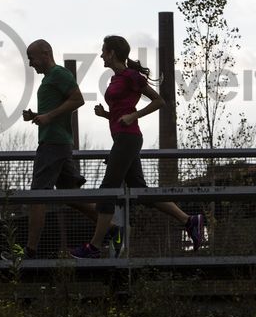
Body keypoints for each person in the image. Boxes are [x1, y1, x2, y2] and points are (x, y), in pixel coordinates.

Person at [70, 35, 204, 259]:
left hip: (128, 139)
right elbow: (121, 114)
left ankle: (94, 247)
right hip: (122, 138)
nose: (101, 55)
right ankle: (189, 220)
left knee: (107, 191)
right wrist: (107, 115)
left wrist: (134, 115)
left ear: (112, 52)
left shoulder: (131, 76)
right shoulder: (115, 79)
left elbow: (159, 101)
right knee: (140, 191)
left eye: (104, 51)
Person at [20, 39, 121, 259]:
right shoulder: (49, 79)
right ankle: (113, 229)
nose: (31, 64)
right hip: (58, 142)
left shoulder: (59, 74)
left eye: (32, 58)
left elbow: (78, 100)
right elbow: (58, 110)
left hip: (54, 144)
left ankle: (30, 251)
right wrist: (38, 115)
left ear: (46, 54)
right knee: (73, 197)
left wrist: (48, 116)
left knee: (36, 196)